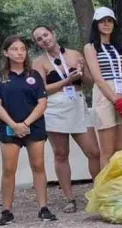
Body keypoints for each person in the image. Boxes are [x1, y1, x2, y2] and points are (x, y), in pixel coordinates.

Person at [31, 25, 101, 212]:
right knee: (61, 154)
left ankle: (100, 192)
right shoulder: (38, 62)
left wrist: (83, 71)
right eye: (39, 38)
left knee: (94, 152)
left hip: (78, 104)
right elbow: (42, 89)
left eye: (45, 34)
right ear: (38, 44)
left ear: (53, 33)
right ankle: (69, 198)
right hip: (55, 109)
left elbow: (89, 82)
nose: (44, 39)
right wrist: (66, 81)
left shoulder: (74, 54)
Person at [0, 35, 56, 224]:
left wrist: (26, 124)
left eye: (22, 49)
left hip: (34, 127)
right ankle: (6, 211)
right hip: (9, 129)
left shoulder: (34, 76)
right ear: (6, 53)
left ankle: (43, 208)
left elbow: (42, 103)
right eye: (14, 49)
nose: (19, 52)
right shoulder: (0, 78)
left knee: (38, 166)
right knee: (8, 169)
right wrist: (14, 125)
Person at [84, 7, 122, 170]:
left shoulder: (120, 47)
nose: (106, 24)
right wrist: (115, 100)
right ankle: (106, 190)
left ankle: (119, 187)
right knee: (107, 150)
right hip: (105, 94)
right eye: (102, 21)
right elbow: (98, 78)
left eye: (109, 21)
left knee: (121, 149)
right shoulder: (90, 47)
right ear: (96, 24)